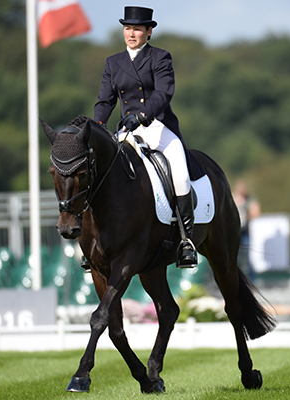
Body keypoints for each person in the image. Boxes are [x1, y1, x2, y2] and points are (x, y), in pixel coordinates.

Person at [93, 6, 197, 268]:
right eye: (127, 28)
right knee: (101, 171)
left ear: (149, 31)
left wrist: (141, 116)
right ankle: (94, 241)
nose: (131, 33)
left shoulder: (160, 58)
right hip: (128, 130)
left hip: (158, 126)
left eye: (137, 29)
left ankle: (186, 240)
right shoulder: (113, 63)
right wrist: (99, 126)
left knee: (180, 172)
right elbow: (105, 100)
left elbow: (163, 94)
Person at [232, 180, 261, 280]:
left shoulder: (249, 199)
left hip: (244, 230)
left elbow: (256, 212)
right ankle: (238, 278)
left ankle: (252, 279)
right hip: (235, 231)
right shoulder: (233, 197)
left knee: (248, 255)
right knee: (237, 256)